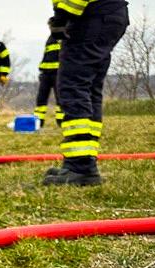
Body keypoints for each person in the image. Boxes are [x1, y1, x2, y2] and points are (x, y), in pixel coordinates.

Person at [43, 0, 129, 186]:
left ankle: (80, 166)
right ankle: (83, 162)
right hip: (109, 14)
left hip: (91, 17)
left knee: (73, 86)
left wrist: (61, 17)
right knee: (89, 90)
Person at [34, 33, 64, 127]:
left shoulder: (65, 36)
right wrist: (42, 70)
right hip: (46, 73)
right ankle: (38, 121)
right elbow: (46, 56)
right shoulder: (50, 38)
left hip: (58, 73)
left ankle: (61, 121)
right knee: (41, 98)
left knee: (60, 98)